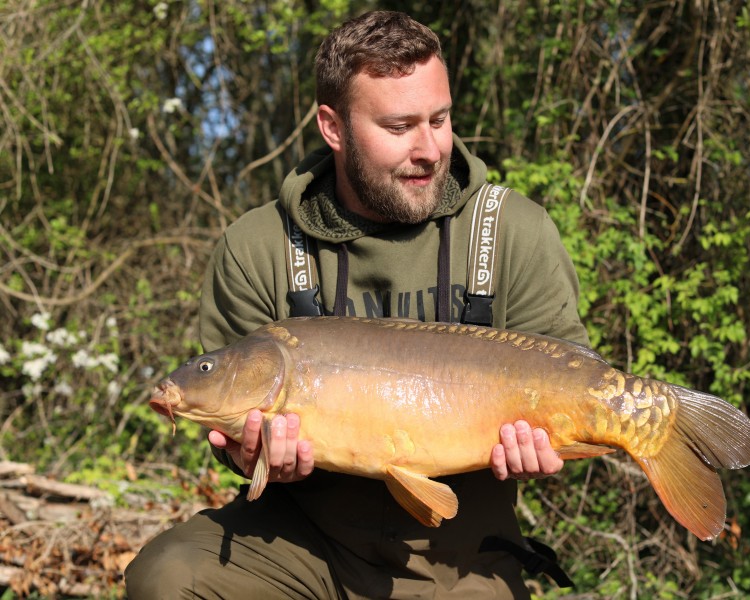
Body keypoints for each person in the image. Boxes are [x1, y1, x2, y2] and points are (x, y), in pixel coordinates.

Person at [126, 10, 589, 599]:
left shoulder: (514, 231)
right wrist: (251, 457)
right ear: (333, 126)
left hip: (462, 552)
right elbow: (234, 436)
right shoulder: (256, 247)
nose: (429, 149)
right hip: (297, 540)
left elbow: (574, 372)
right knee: (169, 579)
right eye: (399, 127)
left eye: (440, 120)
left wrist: (547, 445)